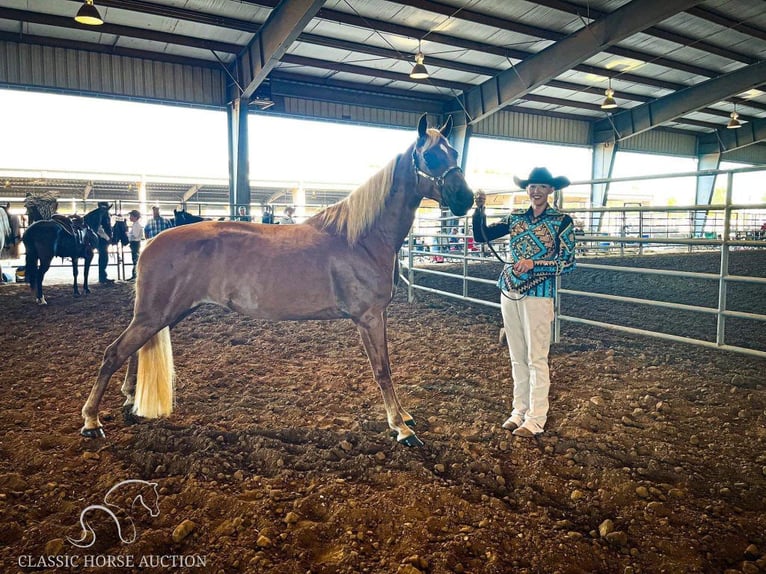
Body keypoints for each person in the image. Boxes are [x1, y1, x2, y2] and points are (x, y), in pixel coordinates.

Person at [472, 167, 577, 438]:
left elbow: (567, 262)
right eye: (532, 186)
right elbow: (481, 235)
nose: (536, 190)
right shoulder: (515, 217)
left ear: (551, 190)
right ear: (527, 189)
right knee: (516, 356)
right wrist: (479, 210)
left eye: (542, 186)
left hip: (540, 293)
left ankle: (536, 417)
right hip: (509, 289)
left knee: (536, 358)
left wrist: (535, 264)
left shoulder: (562, 221)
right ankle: (519, 410)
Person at [96, 201, 114, 284]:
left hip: (104, 239)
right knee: (103, 257)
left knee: (104, 257)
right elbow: (100, 229)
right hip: (102, 239)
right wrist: (107, 238)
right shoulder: (101, 215)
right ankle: (102, 277)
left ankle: (103, 276)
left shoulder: (103, 215)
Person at [126, 209, 143, 281]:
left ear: (135, 217)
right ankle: (134, 275)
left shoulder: (136, 225)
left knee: (135, 259)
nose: (130, 217)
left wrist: (127, 234)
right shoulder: (135, 225)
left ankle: (135, 276)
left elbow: (135, 235)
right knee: (135, 259)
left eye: (131, 216)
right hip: (135, 243)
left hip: (135, 243)